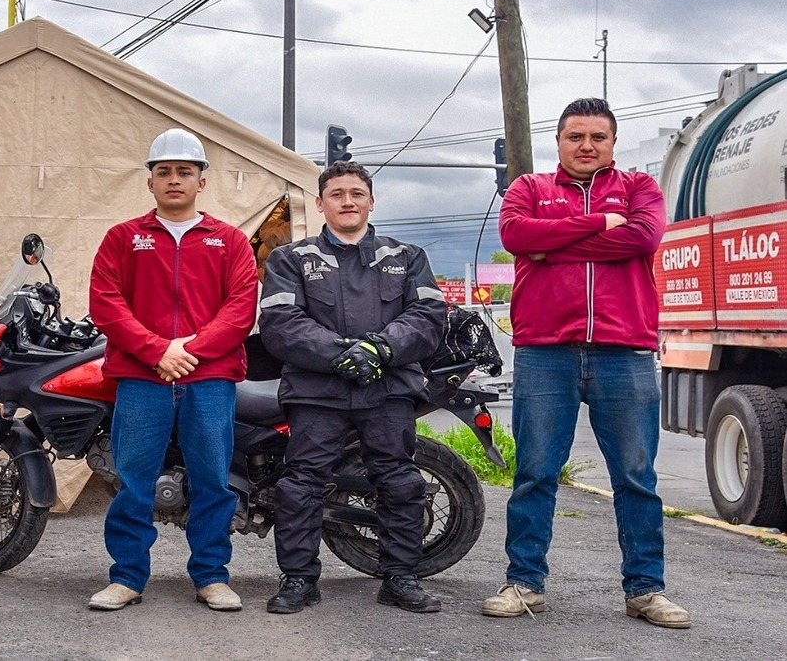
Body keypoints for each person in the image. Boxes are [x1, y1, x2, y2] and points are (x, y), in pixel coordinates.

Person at [482, 98, 691, 629]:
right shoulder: (529, 189)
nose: (587, 146)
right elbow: (517, 237)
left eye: (598, 137)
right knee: (534, 473)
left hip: (625, 351)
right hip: (545, 351)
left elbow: (643, 237)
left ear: (613, 143)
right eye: (576, 136)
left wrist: (555, 244)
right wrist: (599, 223)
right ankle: (524, 582)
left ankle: (646, 589)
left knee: (636, 477)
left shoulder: (641, 188)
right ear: (559, 141)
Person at [258, 160, 447, 615]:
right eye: (337, 194)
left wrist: (380, 350)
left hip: (389, 389)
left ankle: (400, 578)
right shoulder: (291, 259)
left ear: (371, 201)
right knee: (300, 485)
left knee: (400, 482)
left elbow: (428, 319)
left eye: (356, 193)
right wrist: (341, 354)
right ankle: (299, 580)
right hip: (316, 393)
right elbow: (279, 323)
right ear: (321, 203)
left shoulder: (406, 257)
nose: (347, 201)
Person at [87, 127, 258, 612]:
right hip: (143, 378)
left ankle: (211, 575)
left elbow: (241, 308)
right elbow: (106, 302)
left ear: (202, 181)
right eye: (164, 172)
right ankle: (127, 577)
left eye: (185, 171)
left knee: (212, 480)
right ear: (150, 182)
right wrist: (156, 350)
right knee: (133, 481)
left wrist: (190, 352)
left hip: (208, 380)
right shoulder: (123, 237)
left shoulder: (229, 241)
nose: (174, 179)